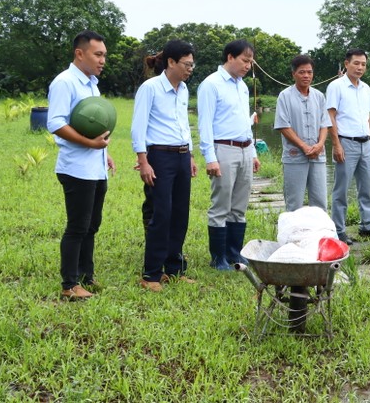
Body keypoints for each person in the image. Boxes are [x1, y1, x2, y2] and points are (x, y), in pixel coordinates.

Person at [47, 30, 116, 300]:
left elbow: (93, 125)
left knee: (92, 225)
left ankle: (87, 275)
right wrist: (89, 145)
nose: (102, 60)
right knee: (77, 226)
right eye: (98, 54)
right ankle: (69, 285)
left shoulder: (91, 83)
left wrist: (103, 154)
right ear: (79, 53)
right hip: (76, 168)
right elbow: (56, 123)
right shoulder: (65, 82)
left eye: (104, 56)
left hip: (94, 166)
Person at [131, 40, 198, 291]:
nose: (190, 69)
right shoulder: (151, 88)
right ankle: (151, 274)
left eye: (192, 65)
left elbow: (184, 125)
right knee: (162, 214)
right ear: (171, 62)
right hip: (159, 156)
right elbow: (138, 126)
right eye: (186, 64)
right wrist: (143, 160)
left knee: (180, 213)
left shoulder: (183, 90)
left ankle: (174, 269)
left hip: (181, 155)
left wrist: (190, 156)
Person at [197, 39, 260, 270]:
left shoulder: (242, 86)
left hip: (244, 148)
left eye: (250, 62)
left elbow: (245, 124)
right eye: (245, 60)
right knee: (221, 205)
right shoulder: (211, 85)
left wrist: (253, 152)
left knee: (239, 206)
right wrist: (210, 158)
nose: (248, 66)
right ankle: (218, 258)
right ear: (230, 57)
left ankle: (235, 253)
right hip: (223, 149)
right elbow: (205, 125)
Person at [326, 48, 370, 245]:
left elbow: (368, 117)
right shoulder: (336, 86)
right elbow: (330, 116)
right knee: (341, 189)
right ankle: (338, 230)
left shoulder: (365, 88)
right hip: (346, 142)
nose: (360, 67)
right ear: (346, 64)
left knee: (366, 187)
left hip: (365, 143)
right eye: (356, 63)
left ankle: (367, 225)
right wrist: (336, 144)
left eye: (363, 64)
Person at [274, 54, 332, 212]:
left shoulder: (319, 96)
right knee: (294, 202)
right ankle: (293, 236)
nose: (306, 75)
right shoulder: (284, 96)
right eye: (301, 72)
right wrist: (304, 147)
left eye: (309, 72)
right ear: (293, 74)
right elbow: (283, 126)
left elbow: (325, 124)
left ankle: (320, 235)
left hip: (318, 155)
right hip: (295, 156)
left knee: (320, 202)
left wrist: (320, 145)